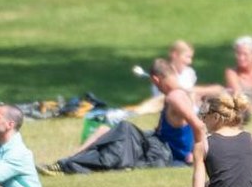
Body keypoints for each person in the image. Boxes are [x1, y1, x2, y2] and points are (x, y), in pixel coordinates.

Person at [50, 60, 198, 174]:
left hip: (164, 154)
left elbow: (198, 125)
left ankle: (69, 164)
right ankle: (72, 158)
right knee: (104, 130)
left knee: (124, 131)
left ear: (156, 79)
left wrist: (195, 154)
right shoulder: (178, 95)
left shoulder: (175, 98)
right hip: (158, 144)